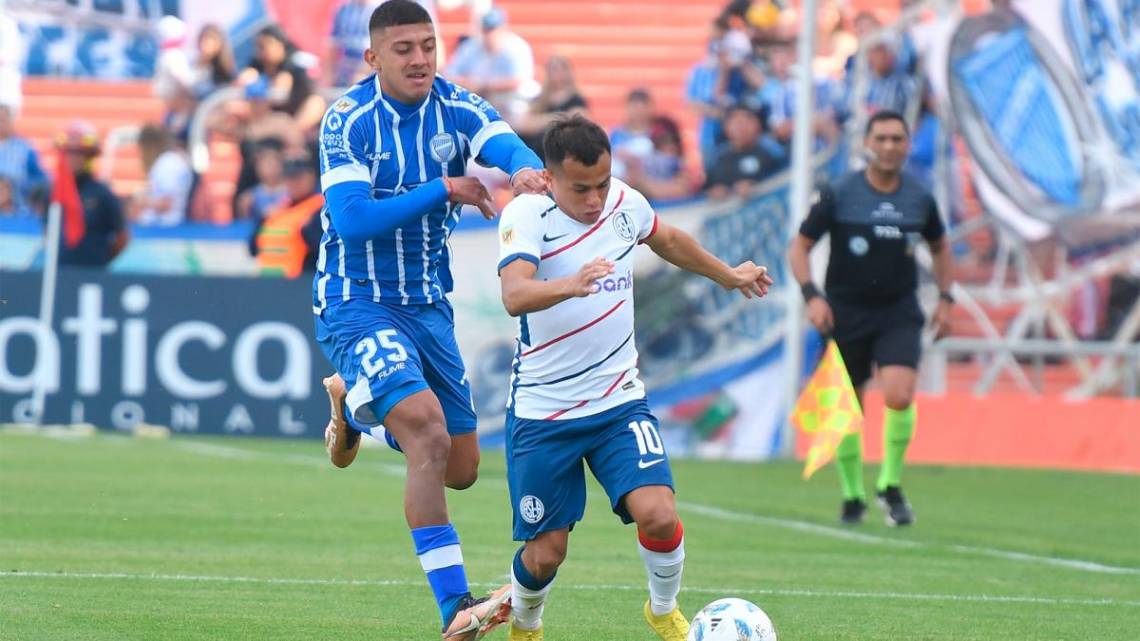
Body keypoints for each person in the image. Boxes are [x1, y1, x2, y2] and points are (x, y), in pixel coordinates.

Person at [313, 3, 547, 640]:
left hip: (428, 307)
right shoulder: (347, 120)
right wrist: (445, 189)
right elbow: (354, 218)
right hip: (356, 300)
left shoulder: (456, 105)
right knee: (426, 433)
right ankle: (455, 608)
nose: (419, 59)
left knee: (460, 465)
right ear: (373, 58)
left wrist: (522, 168)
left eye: (427, 45)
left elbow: (499, 138)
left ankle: (356, 406)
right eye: (403, 49)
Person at [495, 115, 774, 641]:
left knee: (660, 514)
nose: (596, 198)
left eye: (603, 182)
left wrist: (729, 274)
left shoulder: (624, 204)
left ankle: (663, 610)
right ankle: (526, 627)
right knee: (547, 551)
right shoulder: (527, 215)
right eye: (582, 188)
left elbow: (667, 240)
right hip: (544, 412)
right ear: (550, 178)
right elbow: (515, 295)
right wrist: (571, 284)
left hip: (618, 402)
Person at [787, 110, 954, 527]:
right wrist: (812, 296)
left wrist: (947, 298)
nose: (889, 146)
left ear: (907, 145)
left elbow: (940, 247)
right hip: (844, 311)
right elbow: (799, 247)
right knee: (848, 406)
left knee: (899, 394)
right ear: (867, 143)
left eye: (897, 139)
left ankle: (890, 485)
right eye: (881, 138)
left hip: (898, 310)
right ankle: (852, 495)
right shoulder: (839, 192)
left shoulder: (919, 196)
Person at [54, 121, 130, 267]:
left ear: (89, 157)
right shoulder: (53, 193)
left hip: (92, 275)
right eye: (68, 153)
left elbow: (122, 237)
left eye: (79, 154)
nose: (73, 159)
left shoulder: (103, 195)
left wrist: (100, 259)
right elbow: (48, 231)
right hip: (59, 274)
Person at [444, 6, 537, 119]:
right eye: (487, 30)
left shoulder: (516, 47)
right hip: (476, 99)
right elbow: (449, 74)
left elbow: (519, 80)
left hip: (511, 101)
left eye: (493, 30)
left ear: (503, 28)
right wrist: (469, 83)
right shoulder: (471, 45)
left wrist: (486, 86)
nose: (490, 35)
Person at [250, 151, 323, 278]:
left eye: (298, 177)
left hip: (301, 284)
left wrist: (307, 230)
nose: (293, 183)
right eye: (289, 177)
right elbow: (252, 248)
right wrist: (262, 220)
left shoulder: (321, 209)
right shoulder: (275, 210)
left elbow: (322, 249)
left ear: (311, 177)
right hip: (268, 283)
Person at [704, 104, 782, 199]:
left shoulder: (771, 149)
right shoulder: (717, 159)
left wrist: (755, 184)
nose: (741, 125)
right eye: (734, 120)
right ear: (725, 127)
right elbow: (706, 189)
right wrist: (715, 191)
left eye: (748, 118)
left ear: (758, 124)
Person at [129, 124, 193, 227]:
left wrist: (142, 201)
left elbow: (167, 204)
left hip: (164, 228)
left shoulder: (167, 164)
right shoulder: (169, 161)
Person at [0, 103, 48, 216]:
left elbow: (40, 179)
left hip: (16, 211)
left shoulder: (24, 148)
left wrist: (17, 186)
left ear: (10, 121)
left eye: (3, 120)